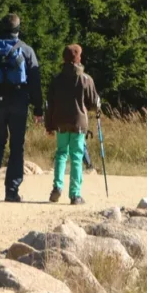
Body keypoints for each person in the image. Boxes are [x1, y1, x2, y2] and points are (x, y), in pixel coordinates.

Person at [0, 14, 45, 202]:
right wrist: (38, 109)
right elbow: (35, 82)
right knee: (17, 146)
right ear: (18, 30)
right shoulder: (26, 50)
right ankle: (12, 191)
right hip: (18, 102)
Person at [46, 44, 100, 205]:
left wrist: (49, 125)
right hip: (79, 122)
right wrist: (97, 106)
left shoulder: (57, 80)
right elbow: (93, 102)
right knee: (76, 156)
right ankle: (75, 195)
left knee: (61, 153)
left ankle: (57, 187)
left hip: (60, 122)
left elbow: (50, 104)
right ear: (78, 59)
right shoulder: (86, 79)